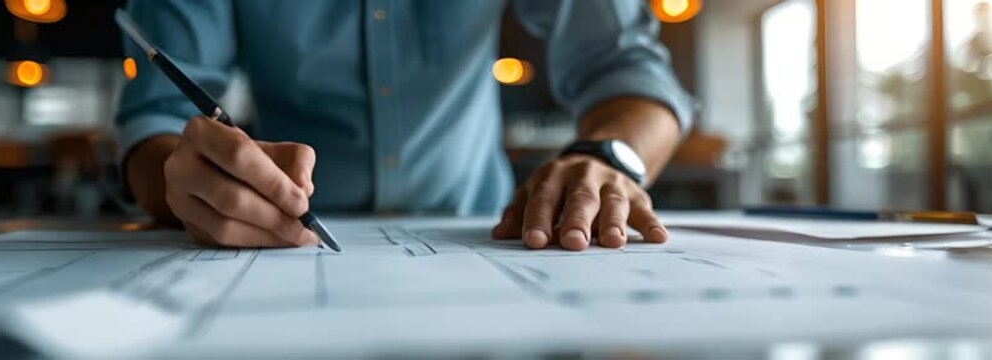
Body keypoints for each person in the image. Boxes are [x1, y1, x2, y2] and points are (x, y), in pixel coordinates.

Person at [116, 0, 692, 251]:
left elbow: (631, 71)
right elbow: (155, 120)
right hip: (275, 247)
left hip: (486, 242)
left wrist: (608, 158)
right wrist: (184, 178)